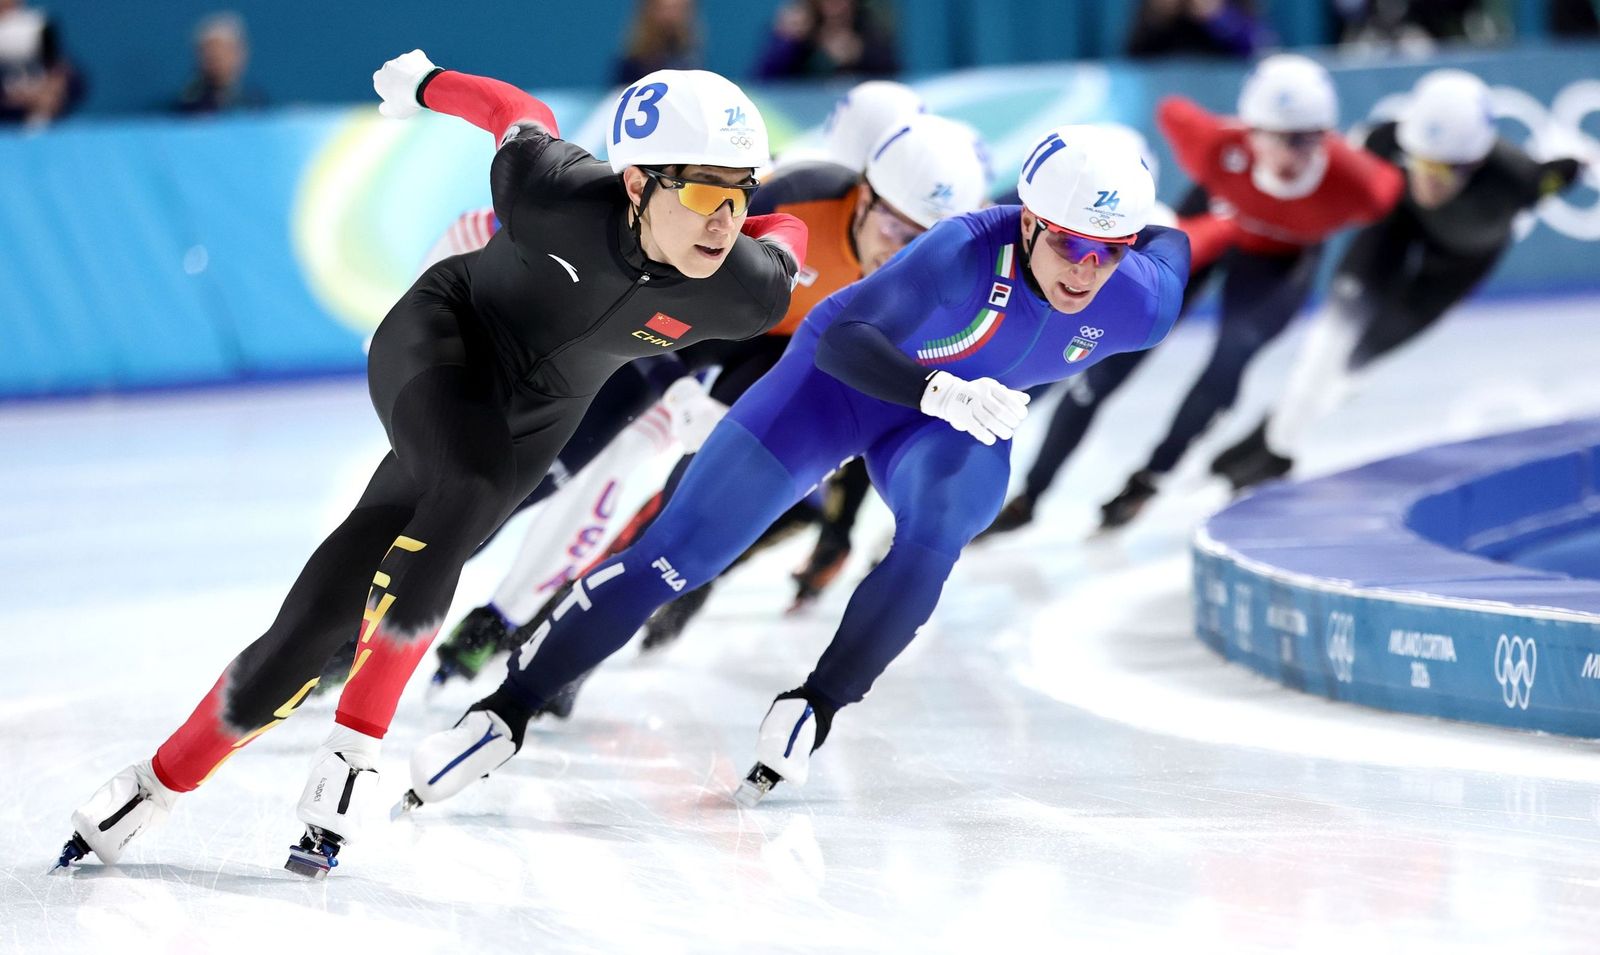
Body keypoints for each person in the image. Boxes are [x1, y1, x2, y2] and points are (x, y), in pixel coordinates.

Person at [59, 50, 804, 877]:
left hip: (534, 421)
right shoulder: (553, 191)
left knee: (312, 628)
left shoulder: (748, 290)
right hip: (442, 342)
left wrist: (778, 220)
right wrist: (425, 84)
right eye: (703, 191)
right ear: (636, 184)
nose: (724, 220)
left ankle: (150, 786)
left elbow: (784, 238)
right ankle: (354, 748)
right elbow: (515, 108)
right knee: (469, 485)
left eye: (741, 194)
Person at [399, 124, 1189, 815]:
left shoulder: (1141, 303)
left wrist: (1159, 224)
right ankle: (508, 709)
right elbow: (847, 340)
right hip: (838, 386)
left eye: (1108, 252)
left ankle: (817, 704)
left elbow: (1177, 245)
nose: (1085, 272)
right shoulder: (961, 250)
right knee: (678, 555)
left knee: (940, 531)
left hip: (955, 420)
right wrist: (937, 389)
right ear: (1027, 221)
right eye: (1068, 244)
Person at [426, 112, 991, 686]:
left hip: (782, 359)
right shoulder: (798, 200)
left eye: (924, 244)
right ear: (864, 197)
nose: (901, 255)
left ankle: (549, 641)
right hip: (691, 329)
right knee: (549, 468)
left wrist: (832, 528)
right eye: (896, 232)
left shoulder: (932, 282)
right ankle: (394, 597)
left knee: (685, 508)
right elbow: (655, 248)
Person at [984, 54, 1403, 536]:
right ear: (1249, 132)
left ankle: (1152, 476)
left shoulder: (1359, 184)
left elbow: (1395, 187)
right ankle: (1032, 497)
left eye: (1309, 140)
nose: (1292, 156)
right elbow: (1172, 111)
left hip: (1277, 265)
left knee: (1233, 354)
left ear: (1328, 137)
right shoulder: (1214, 144)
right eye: (1278, 138)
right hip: (1206, 230)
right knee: (1105, 355)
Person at [1209, 69, 1589, 488]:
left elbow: (1568, 170)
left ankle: (1269, 440)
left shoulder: (1519, 179)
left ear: (1477, 162)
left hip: (1456, 268)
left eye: (1444, 171)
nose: (1427, 181)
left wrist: (1578, 161)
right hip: (1396, 227)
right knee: (1327, 344)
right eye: (1419, 163)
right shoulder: (1388, 140)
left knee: (1357, 364)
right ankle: (1277, 446)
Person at [756, 0, 899, 80]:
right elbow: (764, 81)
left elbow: (894, 76)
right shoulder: (799, 28)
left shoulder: (868, 26)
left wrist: (858, 55)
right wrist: (787, 42)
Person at [0, 0, 83, 126]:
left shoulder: (37, 28)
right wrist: (11, 98)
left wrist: (54, 87)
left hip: (36, 121)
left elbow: (69, 76)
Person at [173, 12, 267, 114]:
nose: (216, 59)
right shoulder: (188, 105)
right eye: (209, 53)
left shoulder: (254, 102)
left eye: (224, 51)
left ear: (241, 53)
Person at [613, 0, 703, 86]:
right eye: (665, 9)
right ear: (649, 11)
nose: (670, 16)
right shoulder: (632, 64)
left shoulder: (690, 57)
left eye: (677, 9)